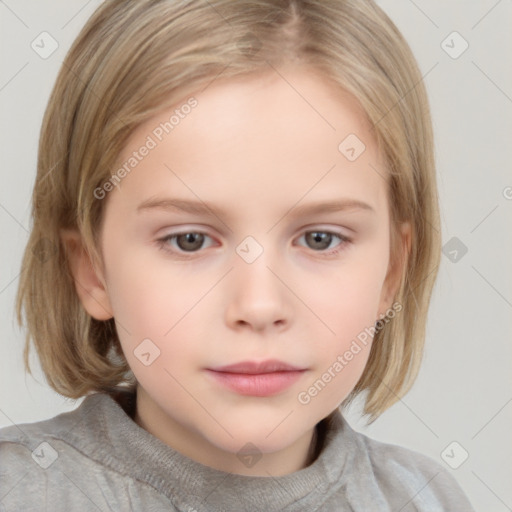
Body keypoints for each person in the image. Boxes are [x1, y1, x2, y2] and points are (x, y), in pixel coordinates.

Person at [0, 0, 476, 510]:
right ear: (91, 267)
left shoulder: (425, 498)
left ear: (393, 272)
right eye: (190, 240)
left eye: (320, 239)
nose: (259, 305)